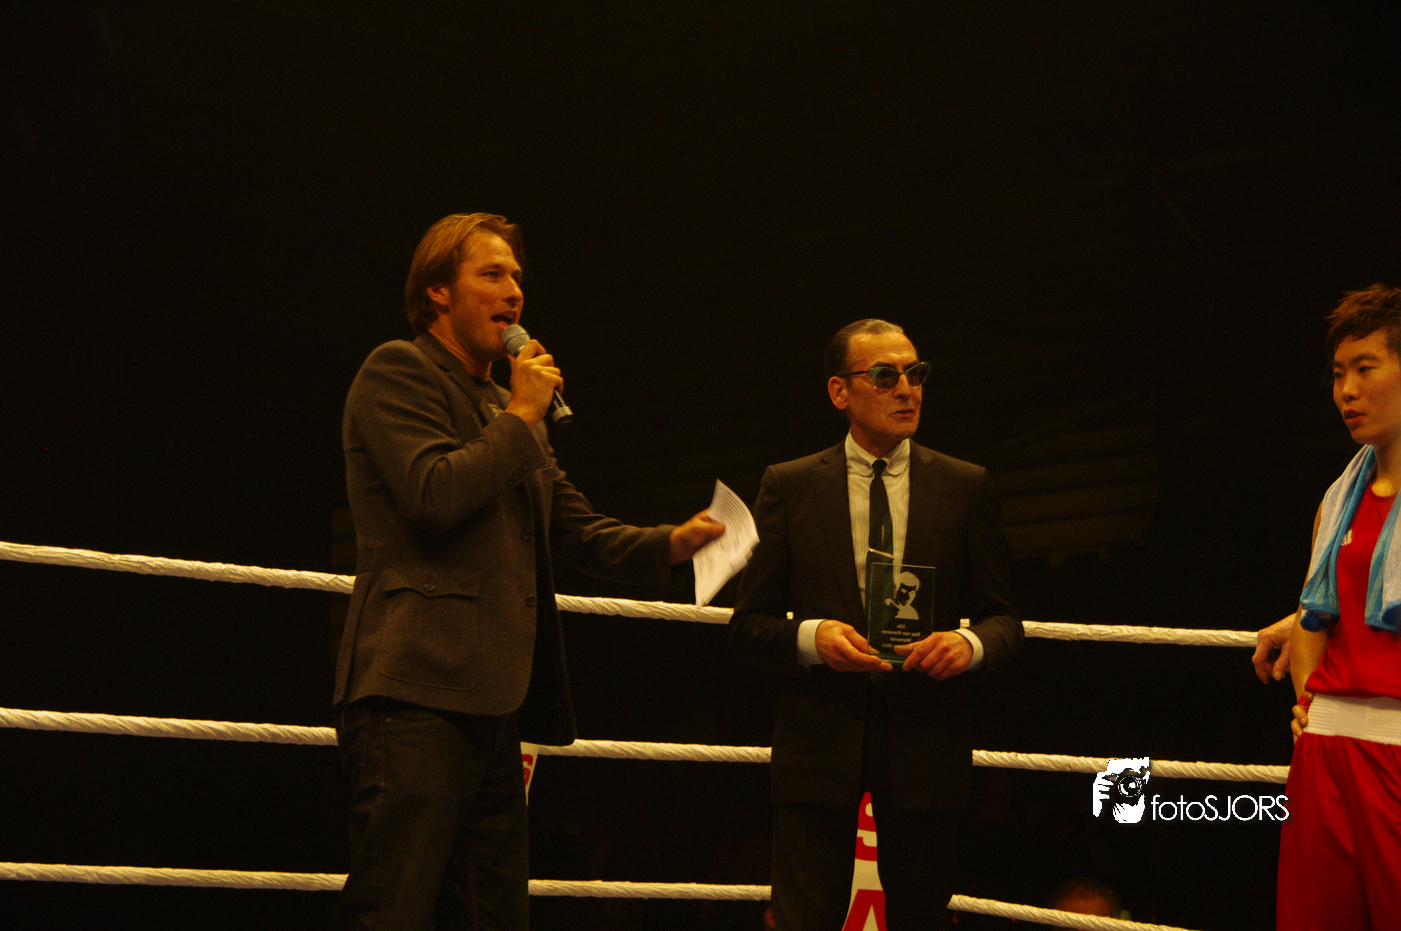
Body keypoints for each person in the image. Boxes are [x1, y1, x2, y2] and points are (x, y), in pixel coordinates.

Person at [330, 212, 724, 930]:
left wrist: (671, 543)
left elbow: (574, 527)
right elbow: (432, 494)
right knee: (391, 910)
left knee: (494, 916)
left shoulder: (506, 407)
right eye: (492, 274)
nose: (514, 290)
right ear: (438, 290)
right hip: (412, 695)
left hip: (494, 705)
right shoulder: (398, 370)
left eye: (517, 276)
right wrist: (519, 415)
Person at [729, 319, 1023, 930]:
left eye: (916, 374)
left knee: (922, 918)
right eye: (886, 376)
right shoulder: (790, 485)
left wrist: (968, 644)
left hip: (927, 742)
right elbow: (748, 624)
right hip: (817, 743)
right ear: (840, 391)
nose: (907, 390)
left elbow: (1004, 619)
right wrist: (811, 638)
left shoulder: (965, 485)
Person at [1277, 284, 1401, 931]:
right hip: (1325, 751)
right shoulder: (1337, 498)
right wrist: (1306, 703)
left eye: (1364, 368)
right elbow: (1312, 615)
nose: (1346, 390)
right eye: (1337, 374)